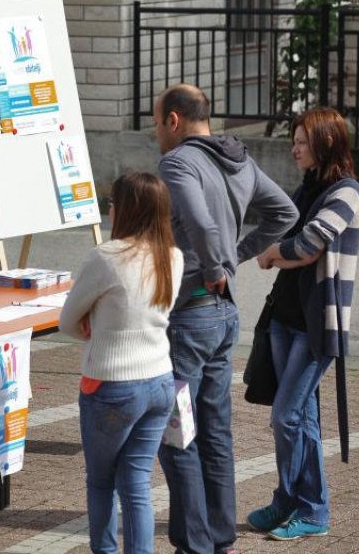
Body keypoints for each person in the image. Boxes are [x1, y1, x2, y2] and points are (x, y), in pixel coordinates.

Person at [152, 84, 298, 554]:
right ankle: (219, 539)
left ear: (173, 120)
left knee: (177, 432)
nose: (157, 132)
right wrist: (235, 258)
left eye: (157, 122)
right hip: (223, 315)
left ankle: (195, 544)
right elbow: (285, 211)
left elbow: (198, 218)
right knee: (214, 431)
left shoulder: (177, 162)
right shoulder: (239, 159)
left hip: (190, 315)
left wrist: (219, 263)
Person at [248, 107, 359, 541]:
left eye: (301, 142)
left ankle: (306, 504)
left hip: (318, 325)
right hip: (284, 318)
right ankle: (296, 503)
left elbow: (309, 244)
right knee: (302, 418)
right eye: (293, 141)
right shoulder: (305, 188)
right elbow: (280, 229)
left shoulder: (347, 192)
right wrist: (277, 248)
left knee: (286, 416)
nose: (294, 149)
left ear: (326, 142)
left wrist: (274, 253)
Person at [59, 172, 183, 554]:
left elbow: (67, 321)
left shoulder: (106, 257)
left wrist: (94, 330)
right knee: (136, 483)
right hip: (160, 380)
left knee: (100, 482)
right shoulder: (173, 257)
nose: (108, 210)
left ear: (126, 210)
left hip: (111, 384)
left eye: (112, 203)